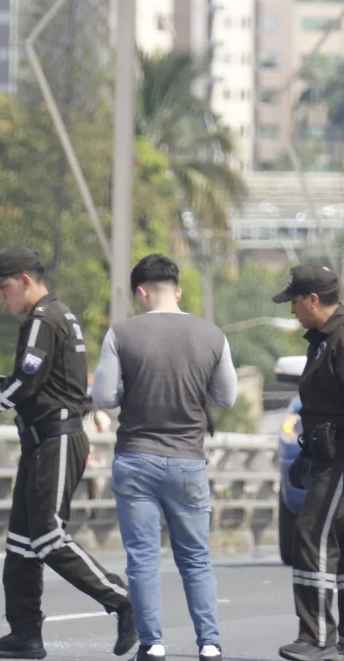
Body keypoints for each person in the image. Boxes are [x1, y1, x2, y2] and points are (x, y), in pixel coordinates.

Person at [0, 245, 137, 660]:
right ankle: (25, 634)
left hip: (56, 437)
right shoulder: (57, 314)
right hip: (43, 440)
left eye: (3, 288)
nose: (1, 297)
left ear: (25, 281)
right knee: (20, 544)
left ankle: (124, 602)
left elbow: (26, 382)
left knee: (48, 536)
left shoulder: (42, 319)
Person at [90, 254, 236, 661]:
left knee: (142, 557)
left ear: (141, 292)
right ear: (178, 289)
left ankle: (152, 644)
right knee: (195, 557)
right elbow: (227, 397)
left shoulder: (122, 334)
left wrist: (131, 393)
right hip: (189, 461)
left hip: (136, 458)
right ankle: (209, 643)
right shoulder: (212, 335)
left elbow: (104, 397)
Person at [272, 265, 344, 661]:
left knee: (312, 533)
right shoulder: (323, 338)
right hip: (330, 450)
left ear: (313, 300)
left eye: (295, 302)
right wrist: (305, 454)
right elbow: (324, 404)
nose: (292, 311)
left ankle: (317, 637)